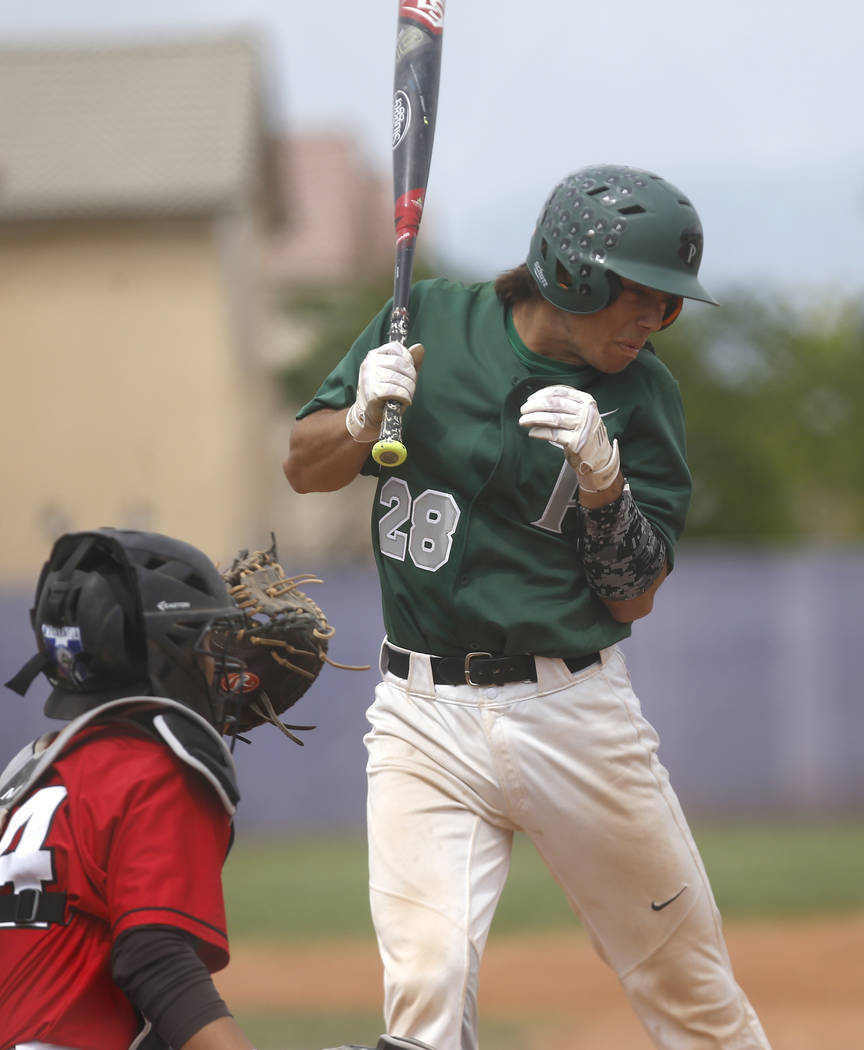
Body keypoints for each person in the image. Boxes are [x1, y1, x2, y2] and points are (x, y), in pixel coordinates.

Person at [282, 164, 772, 1049]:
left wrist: (604, 483)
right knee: (424, 992)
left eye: (668, 304)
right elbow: (302, 466)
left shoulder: (644, 396)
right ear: (573, 272)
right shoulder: (425, 321)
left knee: (689, 991)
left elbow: (636, 593)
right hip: (419, 714)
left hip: (571, 713)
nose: (657, 320)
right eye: (644, 296)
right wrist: (357, 421)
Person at [0, 528, 295, 1050]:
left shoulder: (32, 776)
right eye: (205, 641)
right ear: (161, 653)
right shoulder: (157, 769)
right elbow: (155, 959)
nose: (221, 661)